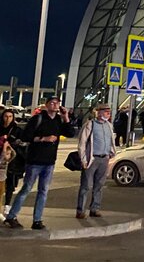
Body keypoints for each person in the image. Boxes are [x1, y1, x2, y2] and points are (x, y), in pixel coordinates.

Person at [4, 95, 75, 230]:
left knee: (43, 191)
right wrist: (43, 138)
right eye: (52, 103)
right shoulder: (38, 119)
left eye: (57, 103)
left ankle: (37, 220)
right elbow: (26, 136)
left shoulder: (59, 121)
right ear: (47, 105)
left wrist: (66, 117)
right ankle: (11, 216)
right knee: (26, 189)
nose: (55, 105)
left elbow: (70, 133)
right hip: (35, 161)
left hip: (50, 162)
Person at [76, 104, 116, 219]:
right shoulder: (90, 125)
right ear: (98, 112)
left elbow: (111, 141)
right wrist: (83, 159)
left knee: (99, 185)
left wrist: (111, 153)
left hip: (104, 159)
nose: (108, 113)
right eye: (106, 111)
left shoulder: (109, 125)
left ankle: (95, 209)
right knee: (86, 185)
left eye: (109, 111)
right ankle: (80, 210)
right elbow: (82, 143)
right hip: (92, 159)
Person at [2, 108, 26, 215]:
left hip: (12, 161)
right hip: (1, 161)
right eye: (6, 116)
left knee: (10, 183)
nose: (8, 119)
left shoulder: (17, 130)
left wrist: (14, 144)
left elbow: (24, 143)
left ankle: (7, 205)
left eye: (10, 117)